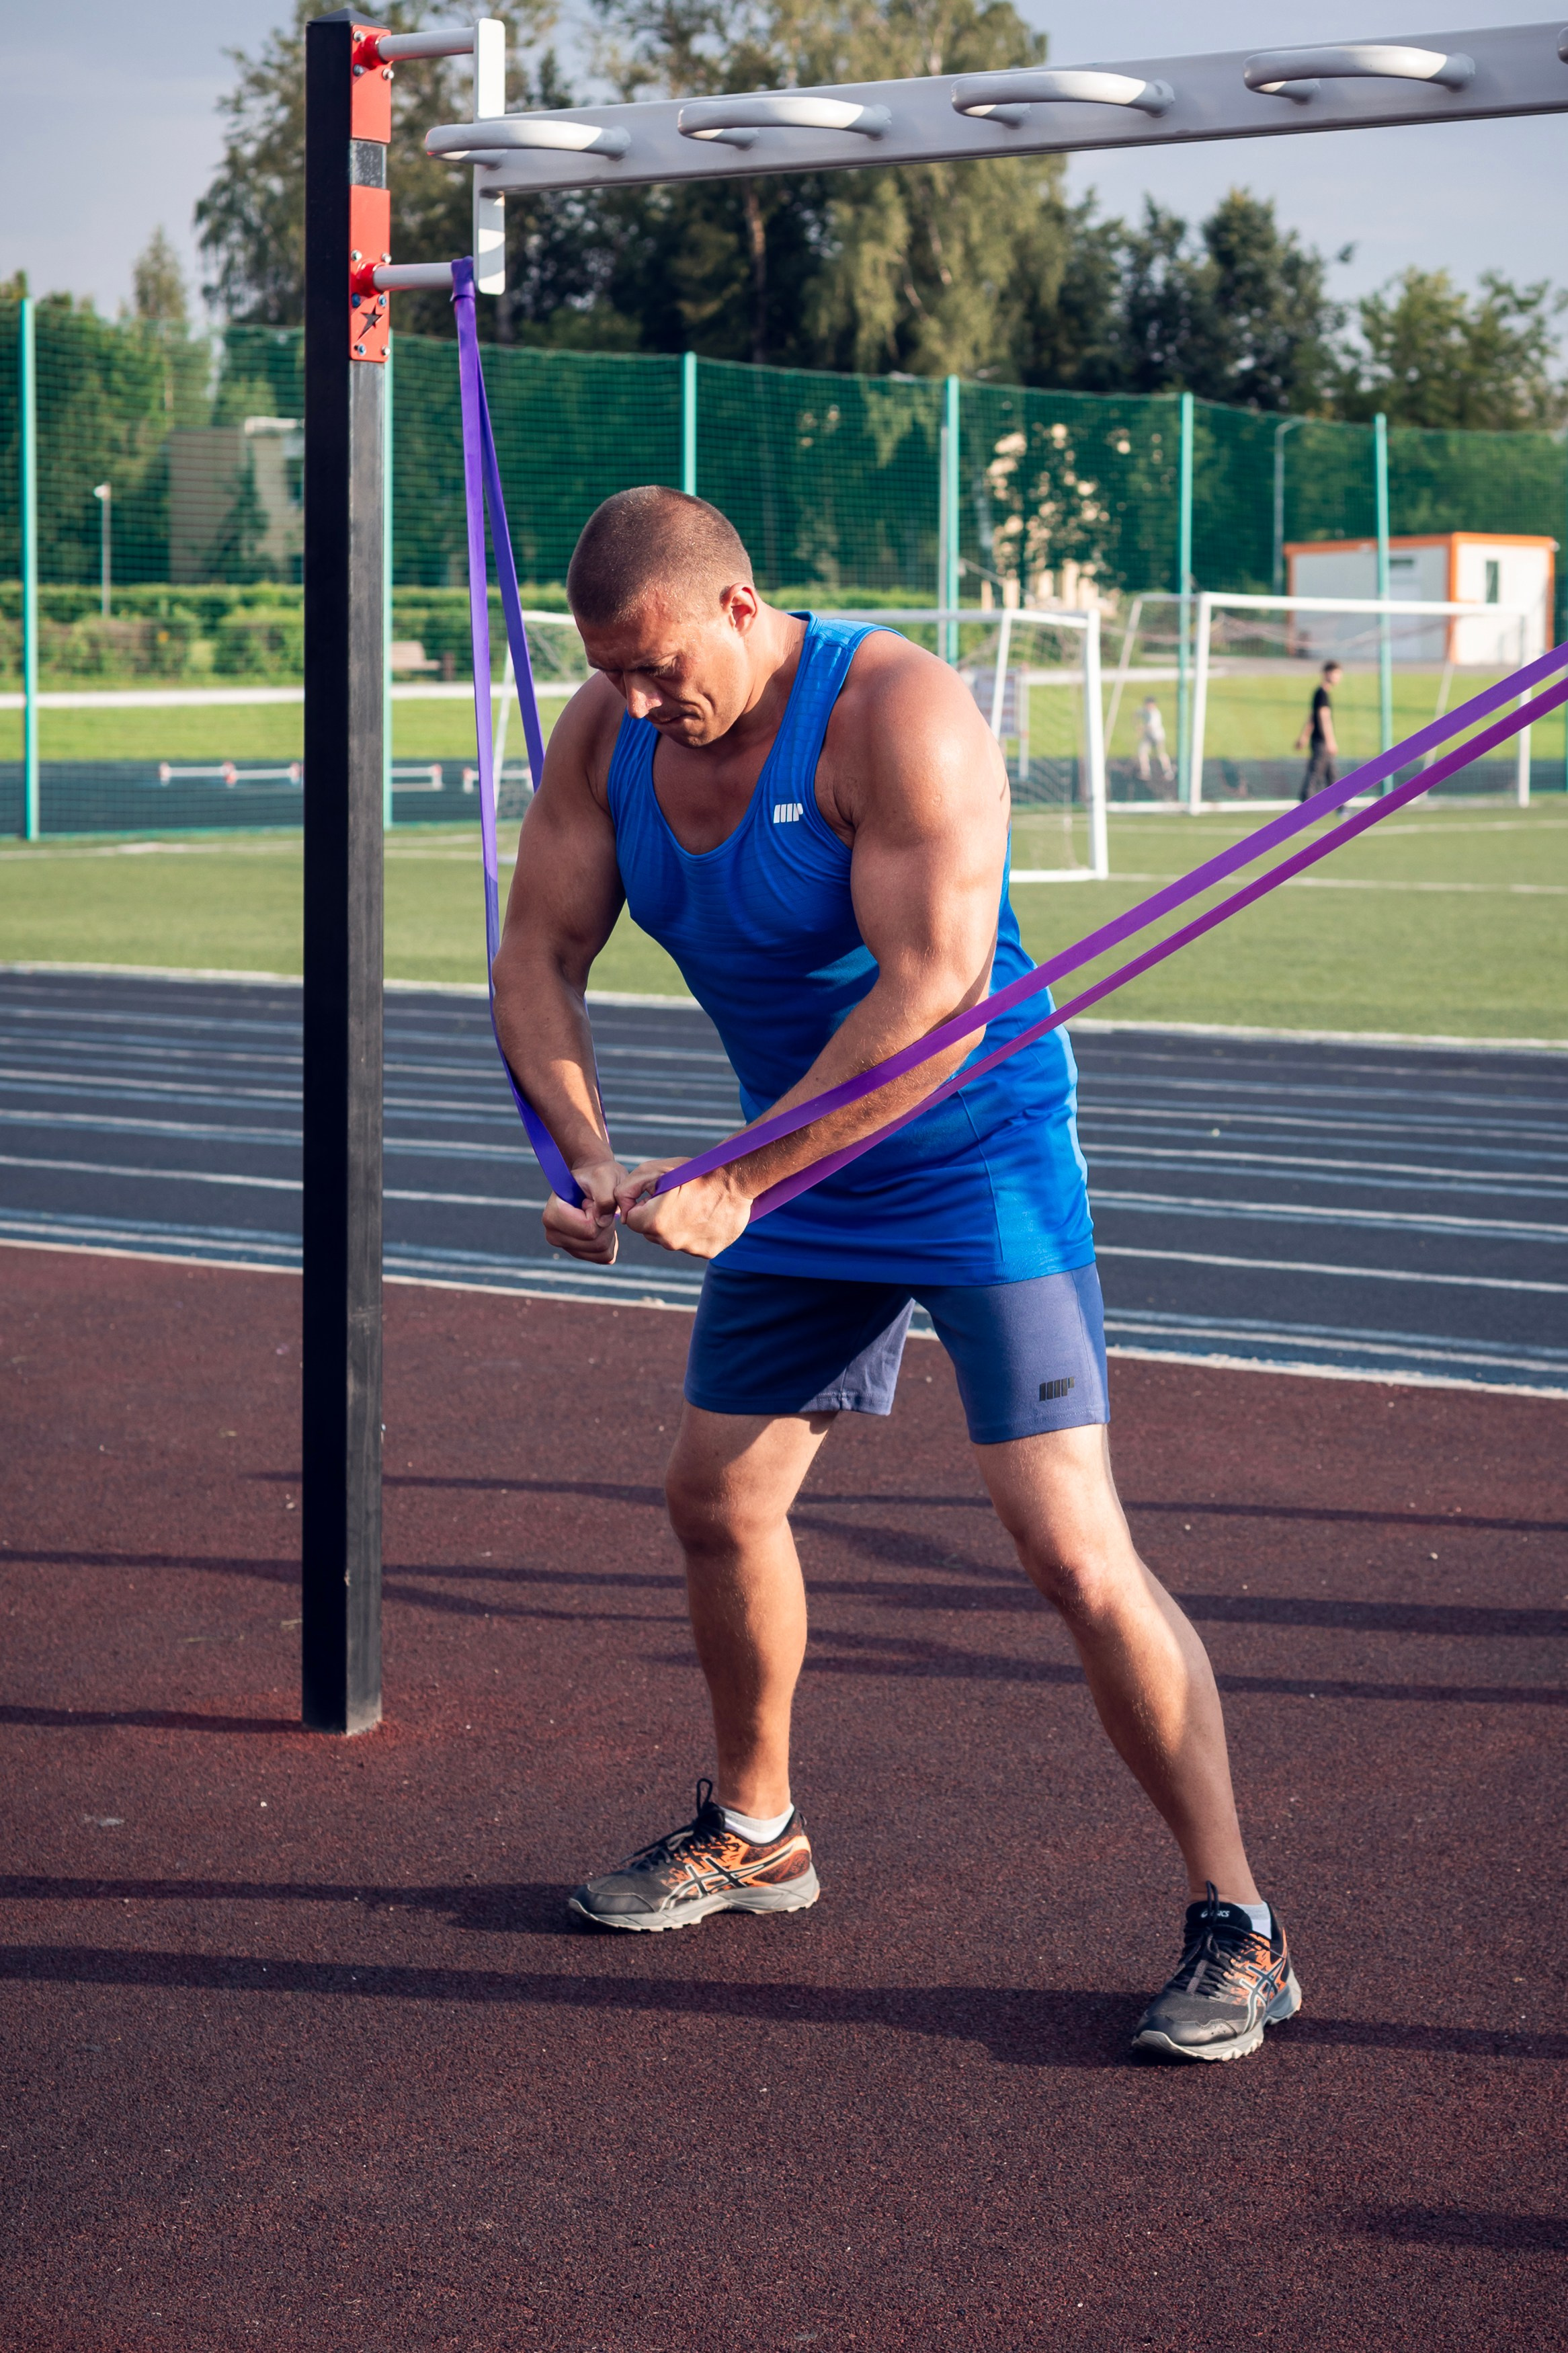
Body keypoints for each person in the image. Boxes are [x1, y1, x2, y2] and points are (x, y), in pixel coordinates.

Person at [491, 487, 1301, 2063]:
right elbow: (538, 954)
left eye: (658, 667)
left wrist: (739, 1179)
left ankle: (1239, 1921)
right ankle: (757, 1831)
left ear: (737, 606)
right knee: (715, 1498)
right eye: (609, 673)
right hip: (789, 1169)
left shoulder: (897, 714)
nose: (637, 703)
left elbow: (930, 995)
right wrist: (581, 1153)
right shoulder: (606, 737)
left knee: (1070, 1550)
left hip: (966, 1152)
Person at [1296, 660, 1341, 800]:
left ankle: (1341, 805)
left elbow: (1312, 718)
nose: (1338, 678)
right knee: (1315, 773)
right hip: (1321, 742)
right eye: (1336, 674)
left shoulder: (1320, 693)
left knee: (1331, 774)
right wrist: (1330, 742)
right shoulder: (1322, 694)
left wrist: (1304, 736)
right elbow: (1323, 718)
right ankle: (1305, 802)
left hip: (1320, 741)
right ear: (1327, 674)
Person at [1135, 693, 1173, 785]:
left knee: (1161, 753)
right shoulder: (1144, 710)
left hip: (1157, 736)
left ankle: (1168, 772)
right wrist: (1136, 723)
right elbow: (1136, 713)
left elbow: (1151, 727)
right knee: (1142, 752)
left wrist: (1141, 728)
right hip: (1148, 736)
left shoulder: (1155, 714)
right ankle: (1145, 772)